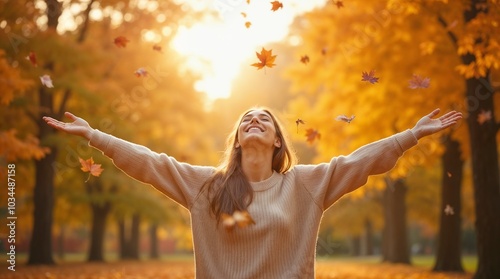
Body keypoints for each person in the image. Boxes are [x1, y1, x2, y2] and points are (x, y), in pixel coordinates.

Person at [43, 107, 462, 278]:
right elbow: (151, 163)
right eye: (247, 119)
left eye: (265, 118)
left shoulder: (303, 185)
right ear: (239, 139)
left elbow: (360, 162)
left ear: (279, 140)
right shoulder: (206, 185)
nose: (255, 120)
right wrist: (95, 135)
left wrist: (410, 135)